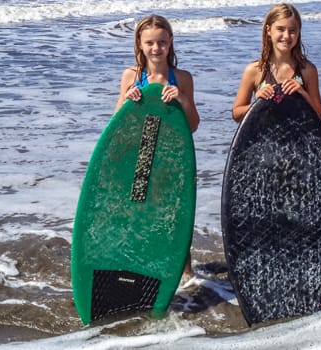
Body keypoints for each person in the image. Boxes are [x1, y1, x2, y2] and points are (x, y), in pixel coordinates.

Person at [114, 14, 200, 282]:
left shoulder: (182, 78)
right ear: (139, 43)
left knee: (176, 213)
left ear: (170, 42)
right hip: (141, 153)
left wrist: (182, 99)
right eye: (149, 42)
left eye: (161, 42)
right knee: (139, 210)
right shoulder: (131, 76)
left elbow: (194, 124)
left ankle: (186, 275)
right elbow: (117, 125)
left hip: (172, 154)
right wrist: (128, 101)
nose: (155, 48)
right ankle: (143, 266)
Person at [232, 3, 321, 122]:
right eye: (280, 29)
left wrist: (302, 93)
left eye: (292, 30)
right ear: (269, 30)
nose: (286, 36)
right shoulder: (254, 70)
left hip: (297, 137)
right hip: (264, 138)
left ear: (298, 32)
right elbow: (236, 114)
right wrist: (258, 103)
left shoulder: (307, 70)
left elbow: (318, 114)